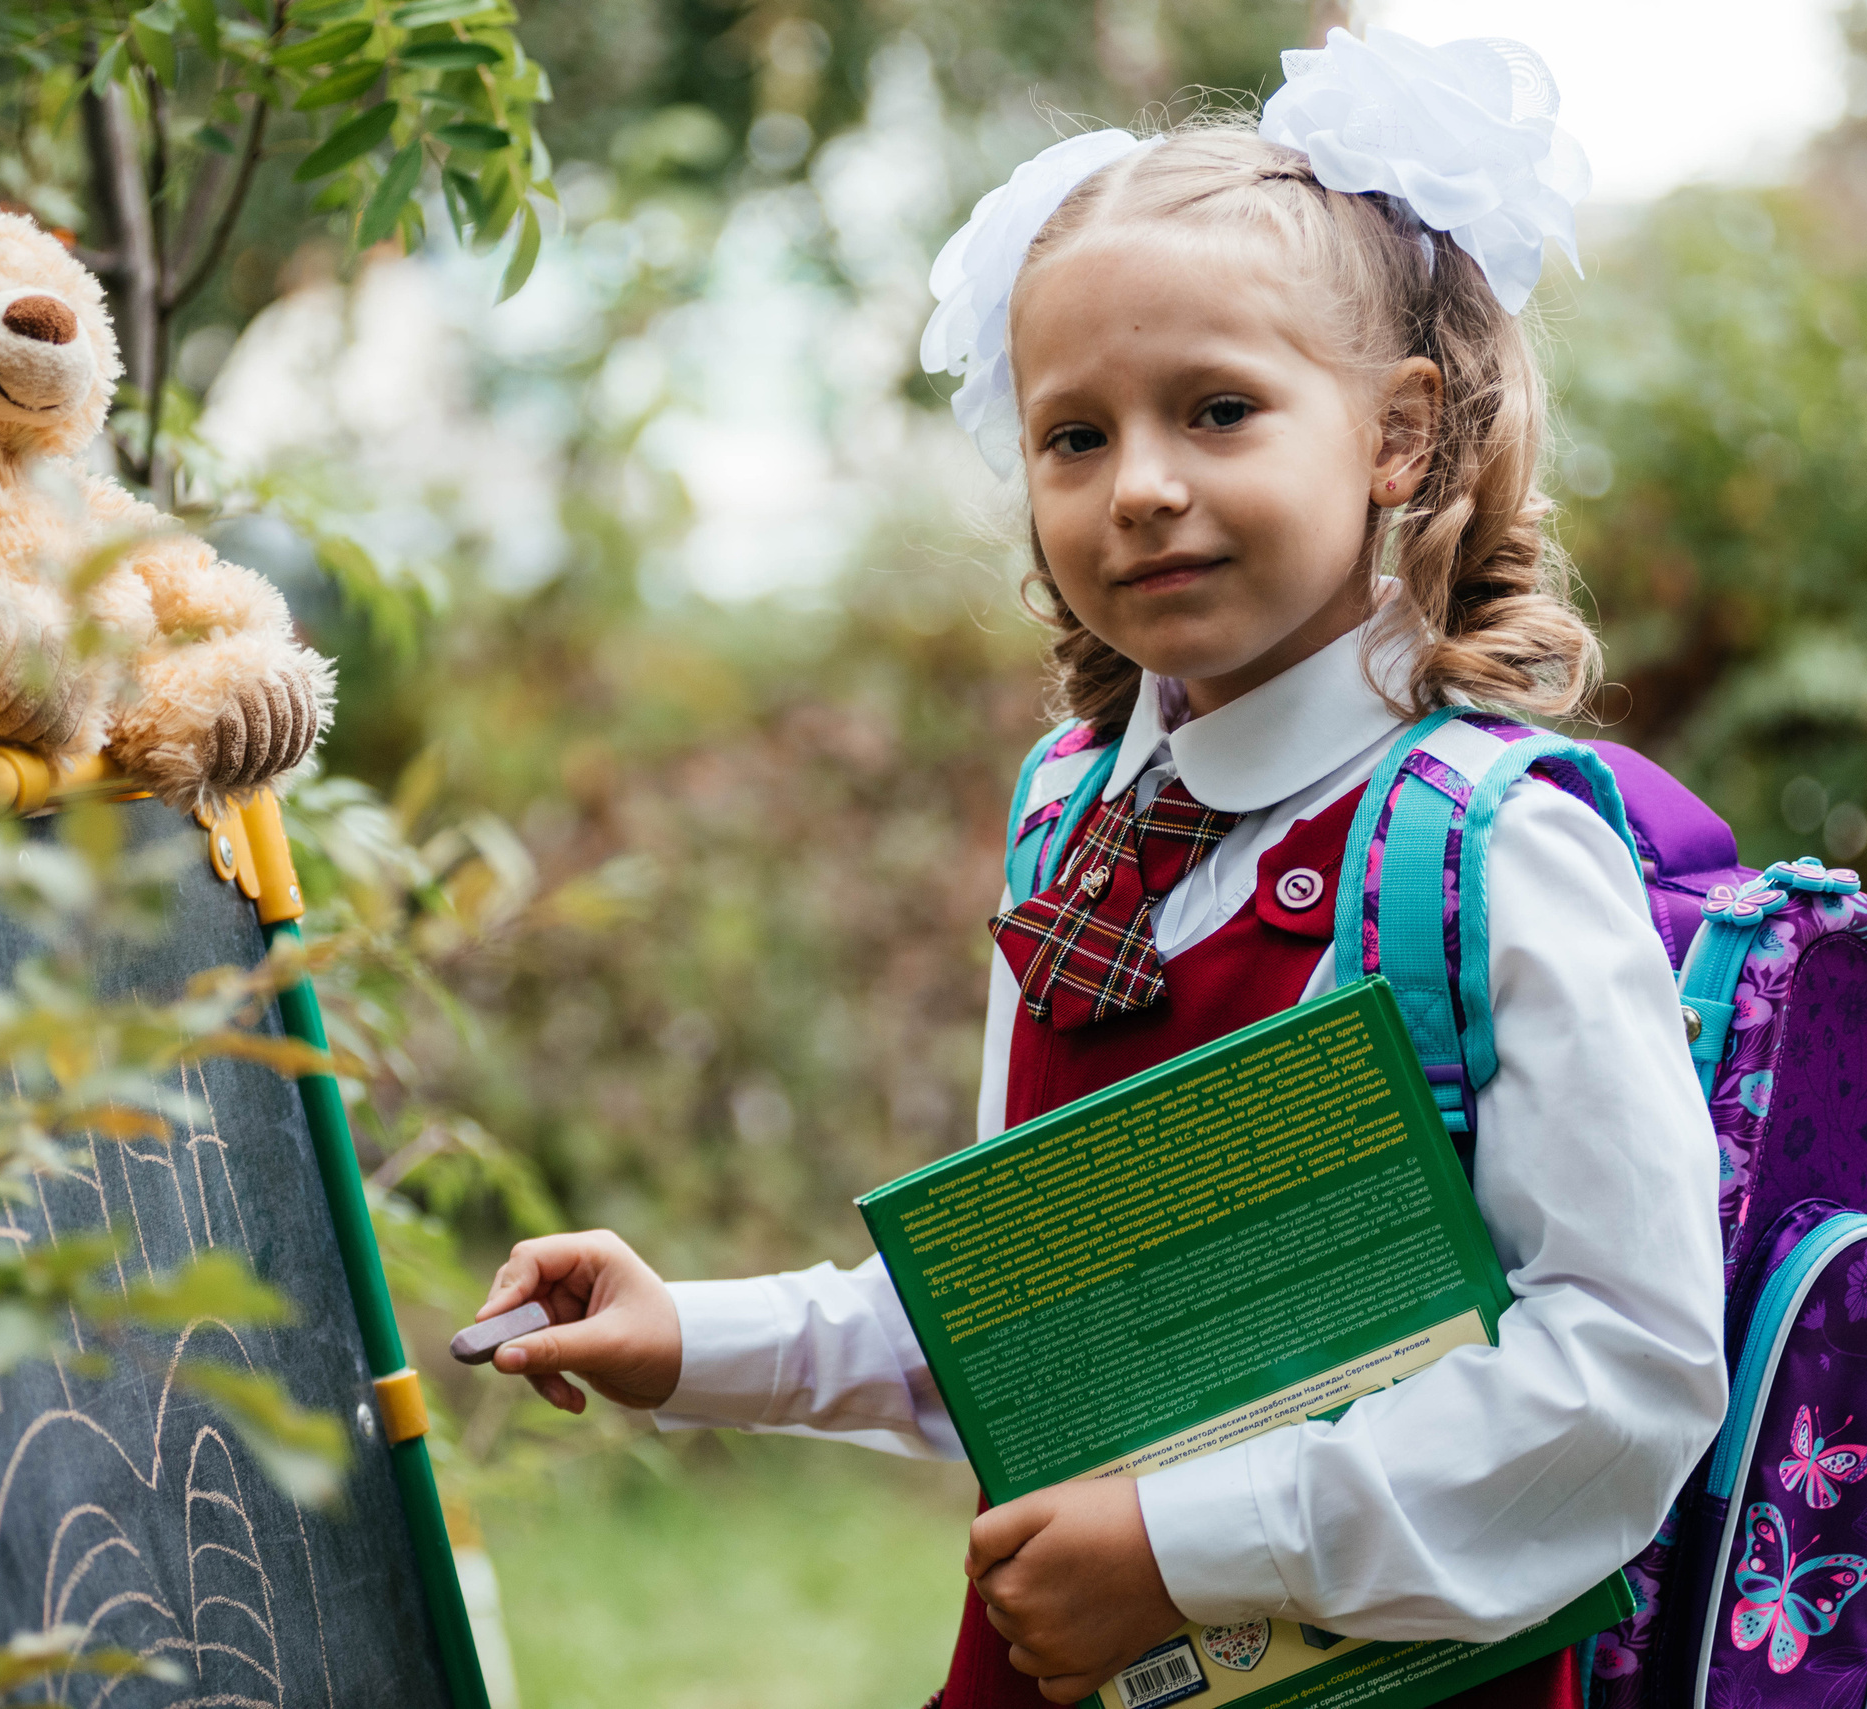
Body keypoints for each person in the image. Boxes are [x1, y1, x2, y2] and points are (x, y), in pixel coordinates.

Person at [468, 30, 1726, 1709]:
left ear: (1399, 438)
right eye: (1074, 436)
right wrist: (693, 1335)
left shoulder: (1492, 854)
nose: (1140, 487)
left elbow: (1625, 1376)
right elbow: (1048, 1325)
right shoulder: (1070, 817)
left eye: (1218, 410)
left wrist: (1185, 1544)